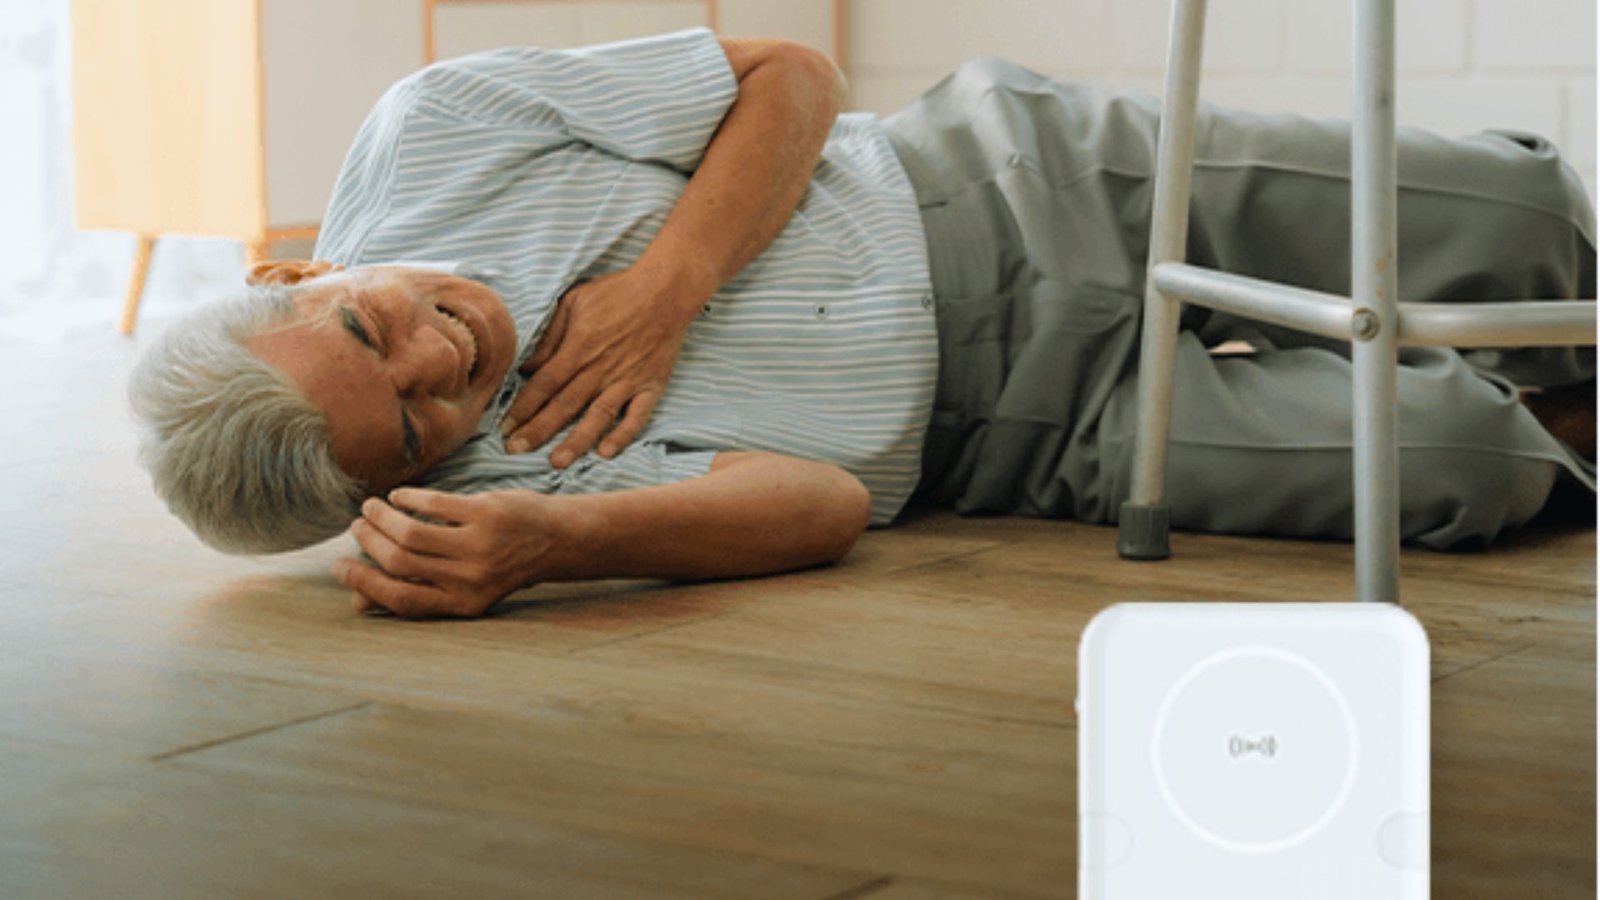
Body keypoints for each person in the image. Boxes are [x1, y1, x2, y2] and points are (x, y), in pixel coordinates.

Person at [129, 28, 1596, 619]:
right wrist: (562, 543)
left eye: (373, 327)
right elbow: (824, 501)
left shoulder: (437, 124)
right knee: (1471, 462)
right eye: (413, 425)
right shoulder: (491, 505)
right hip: (1027, 436)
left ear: (291, 271)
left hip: (1020, 185)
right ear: (387, 486)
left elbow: (794, 75)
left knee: (1525, 237)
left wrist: (664, 291)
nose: (446, 360)